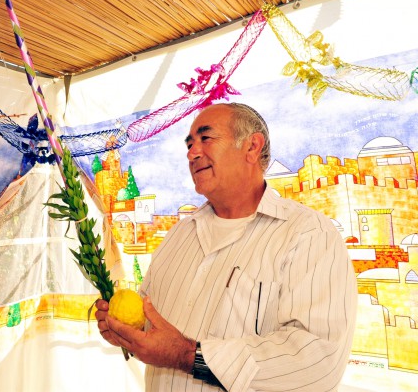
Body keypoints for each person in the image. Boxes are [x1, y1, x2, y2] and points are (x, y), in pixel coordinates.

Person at [95, 103, 357, 391]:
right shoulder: (178, 235)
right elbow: (152, 325)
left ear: (252, 147)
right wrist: (127, 331)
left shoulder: (308, 235)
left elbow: (318, 361)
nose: (192, 153)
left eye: (205, 138)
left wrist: (187, 355)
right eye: (189, 144)